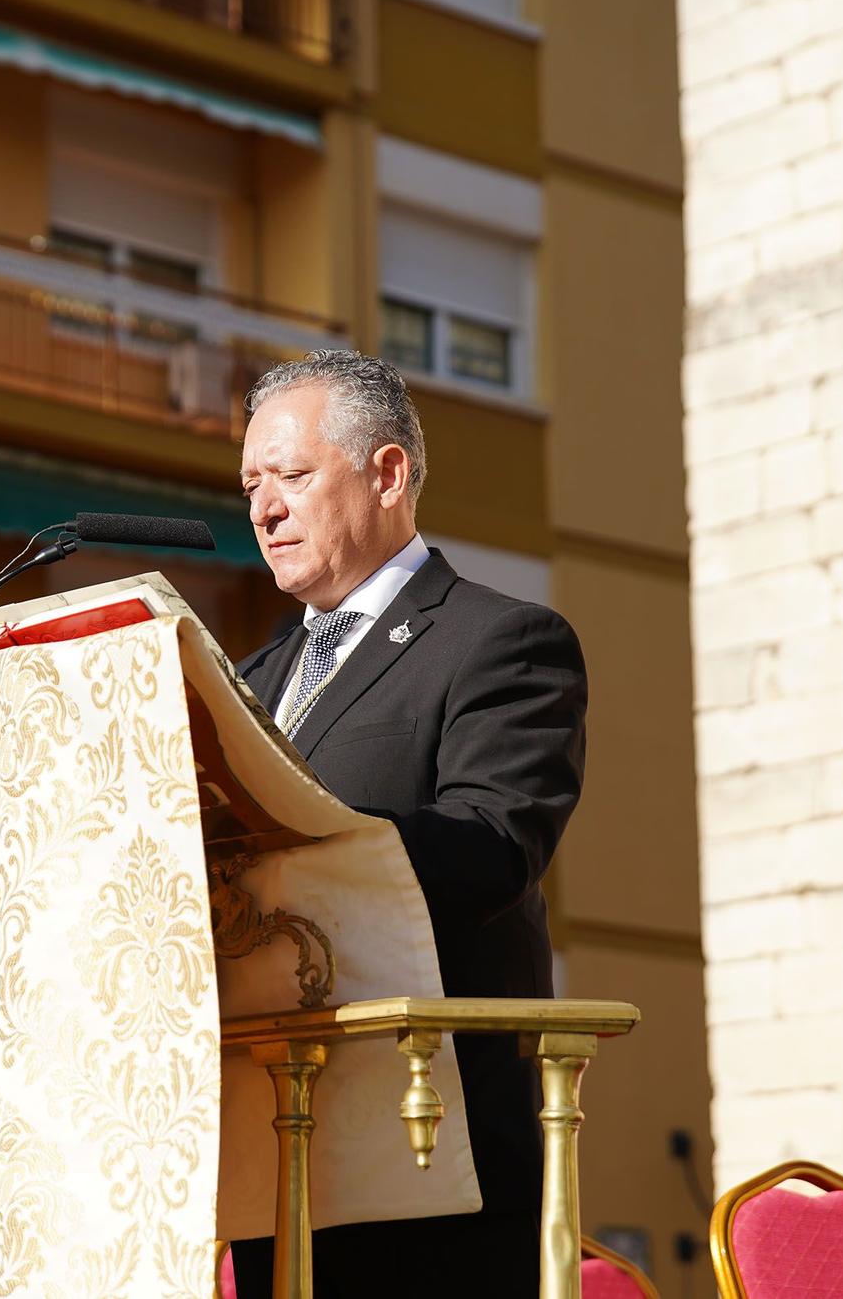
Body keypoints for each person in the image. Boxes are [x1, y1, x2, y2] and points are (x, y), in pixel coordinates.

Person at [228, 350, 587, 1296]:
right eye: (252, 485)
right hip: (280, 1134)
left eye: (293, 477)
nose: (265, 509)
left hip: (433, 1152)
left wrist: (300, 838)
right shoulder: (247, 683)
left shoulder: (501, 641)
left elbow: (493, 845)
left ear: (387, 474)